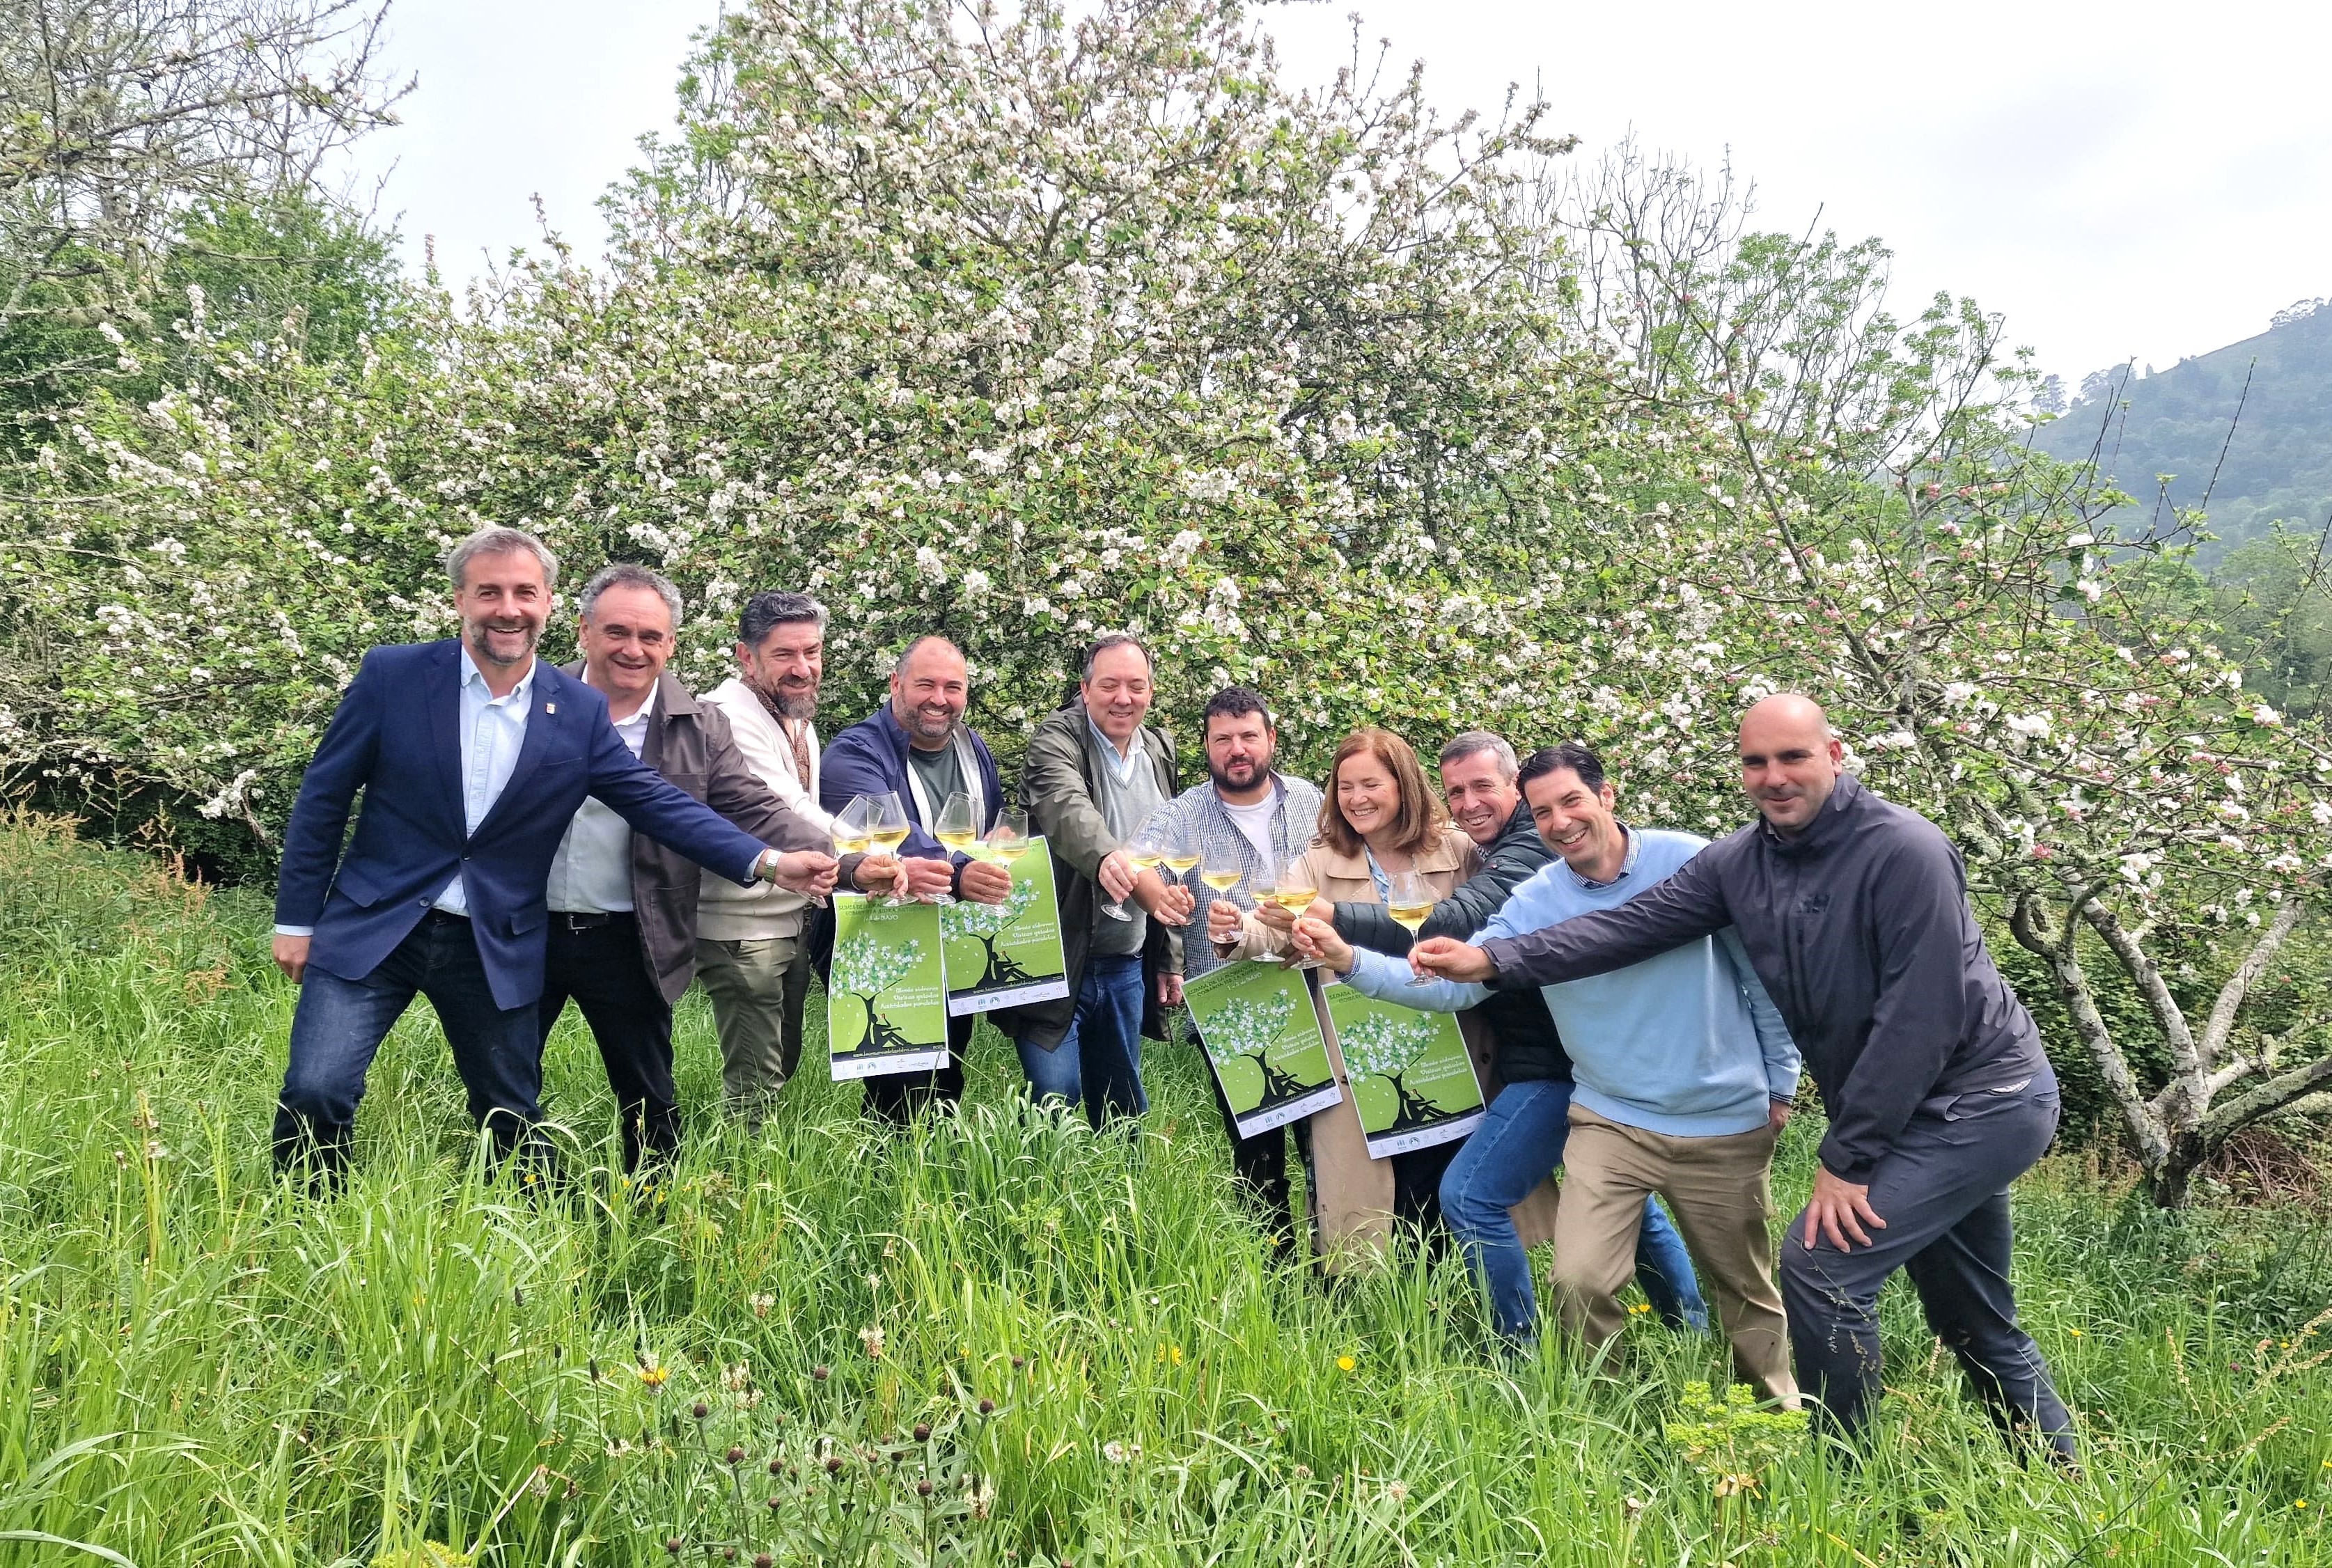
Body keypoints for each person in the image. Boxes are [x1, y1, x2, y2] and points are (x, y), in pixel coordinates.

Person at [1412, 696, 2074, 1458]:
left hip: (1980, 1102)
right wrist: (1492, 958)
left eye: (1792, 756)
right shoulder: (1740, 861)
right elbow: (1625, 928)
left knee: (1821, 1266)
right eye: (1756, 761)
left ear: (1835, 752)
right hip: (1908, 1112)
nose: (1774, 777)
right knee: (1968, 1311)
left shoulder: (1904, 850)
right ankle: (2053, 1466)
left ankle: (1841, 1468)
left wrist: (1847, 1160)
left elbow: (1917, 1020)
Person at [269, 527, 834, 1179]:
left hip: (489, 936)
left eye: (523, 593)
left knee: (509, 1107)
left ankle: (540, 1224)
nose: (507, 608)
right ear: (461, 600)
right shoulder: (392, 676)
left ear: (546, 604)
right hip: (376, 923)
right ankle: (307, 1218)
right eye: (490, 592)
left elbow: (659, 804)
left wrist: (768, 862)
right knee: (317, 1088)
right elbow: (322, 800)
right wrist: (296, 920)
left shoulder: (573, 709)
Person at [1297, 743, 1798, 1395]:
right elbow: (1456, 982)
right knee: (1579, 1279)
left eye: (1571, 802)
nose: (1560, 821)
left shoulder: (1690, 860)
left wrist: (1779, 1081)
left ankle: (1774, 1411)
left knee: (1745, 1289)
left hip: (1721, 1117)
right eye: (1543, 812)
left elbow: (1762, 973)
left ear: (1606, 795)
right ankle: (1605, 1412)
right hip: (1608, 1115)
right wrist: (1347, 959)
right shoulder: (1536, 897)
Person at [539, 565, 864, 1169]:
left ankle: (656, 1213)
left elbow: (759, 810)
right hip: (525, 928)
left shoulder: (699, 724)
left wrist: (851, 866)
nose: (633, 650)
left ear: (671, 644)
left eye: (651, 637)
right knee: (505, 1082)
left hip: (629, 931)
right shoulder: (532, 702)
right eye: (616, 632)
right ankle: (519, 1203)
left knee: (648, 1097)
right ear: (582, 630)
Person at [1208, 728, 1478, 1269]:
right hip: (1358, 1050)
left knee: (1445, 1183)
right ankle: (1372, 1303)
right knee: (1374, 1188)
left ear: (1402, 785)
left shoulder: (1455, 849)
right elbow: (1277, 925)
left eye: (1371, 784)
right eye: (1346, 786)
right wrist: (1235, 933)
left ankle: (1454, 1300)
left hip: (1447, 1045)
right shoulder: (1319, 859)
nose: (1357, 799)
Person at [1145, 687, 1322, 1248]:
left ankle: (1337, 1263)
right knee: (1256, 1146)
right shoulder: (1180, 815)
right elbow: (1132, 860)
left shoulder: (1311, 800)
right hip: (1228, 998)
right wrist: (1154, 894)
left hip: (1313, 983)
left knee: (1324, 1143)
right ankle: (1276, 1272)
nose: (1236, 749)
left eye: (1248, 736)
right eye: (1223, 739)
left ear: (1271, 738)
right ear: (1206, 746)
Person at [820, 635, 1014, 1122]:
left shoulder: (973, 747)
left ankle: (936, 1186)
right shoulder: (853, 752)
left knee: (948, 1075)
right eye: (925, 684)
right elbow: (899, 841)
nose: (939, 699)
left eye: (953, 687)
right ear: (896, 684)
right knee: (897, 1088)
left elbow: (984, 826)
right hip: (883, 945)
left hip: (951, 939)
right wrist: (965, 876)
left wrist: (999, 847)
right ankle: (887, 1188)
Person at [1008, 634, 1193, 1125]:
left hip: (1124, 962)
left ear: (1151, 692)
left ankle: (1119, 1200)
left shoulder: (1158, 749)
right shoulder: (1056, 739)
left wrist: (1168, 956)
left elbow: (1165, 858)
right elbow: (1067, 808)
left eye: (1136, 686)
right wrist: (1113, 860)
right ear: (1084, 689)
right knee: (1055, 1100)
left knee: (1122, 1109)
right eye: (1109, 685)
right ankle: (1042, 1199)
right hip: (1056, 955)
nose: (1123, 698)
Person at [695, 590, 846, 1126]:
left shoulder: (797, 717)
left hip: (786, 916)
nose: (803, 667)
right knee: (756, 1082)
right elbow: (792, 811)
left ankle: (754, 1167)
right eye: (785, 654)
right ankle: (740, 1181)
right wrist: (876, 856)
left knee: (780, 1061)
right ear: (746, 655)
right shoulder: (725, 717)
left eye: (813, 651)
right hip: (740, 924)